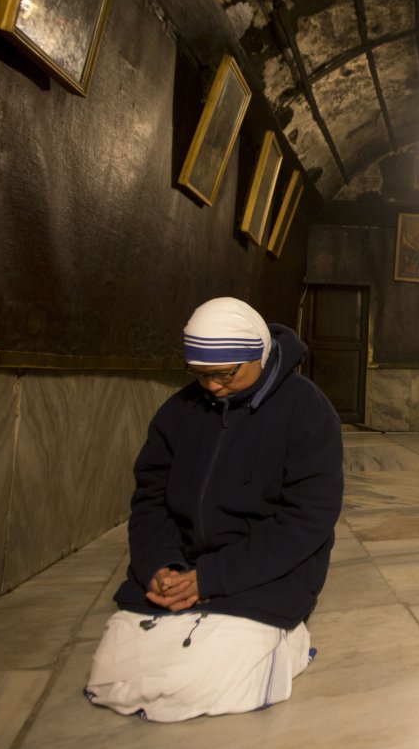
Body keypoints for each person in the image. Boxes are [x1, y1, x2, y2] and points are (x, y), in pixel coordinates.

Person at [85, 297, 344, 722]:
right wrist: (161, 564)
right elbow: (151, 499)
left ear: (257, 354)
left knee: (209, 682)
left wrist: (212, 578)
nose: (212, 387)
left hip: (264, 567)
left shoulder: (307, 412)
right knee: (116, 677)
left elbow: (307, 518)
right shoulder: (178, 412)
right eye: (201, 375)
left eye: (225, 374)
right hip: (187, 558)